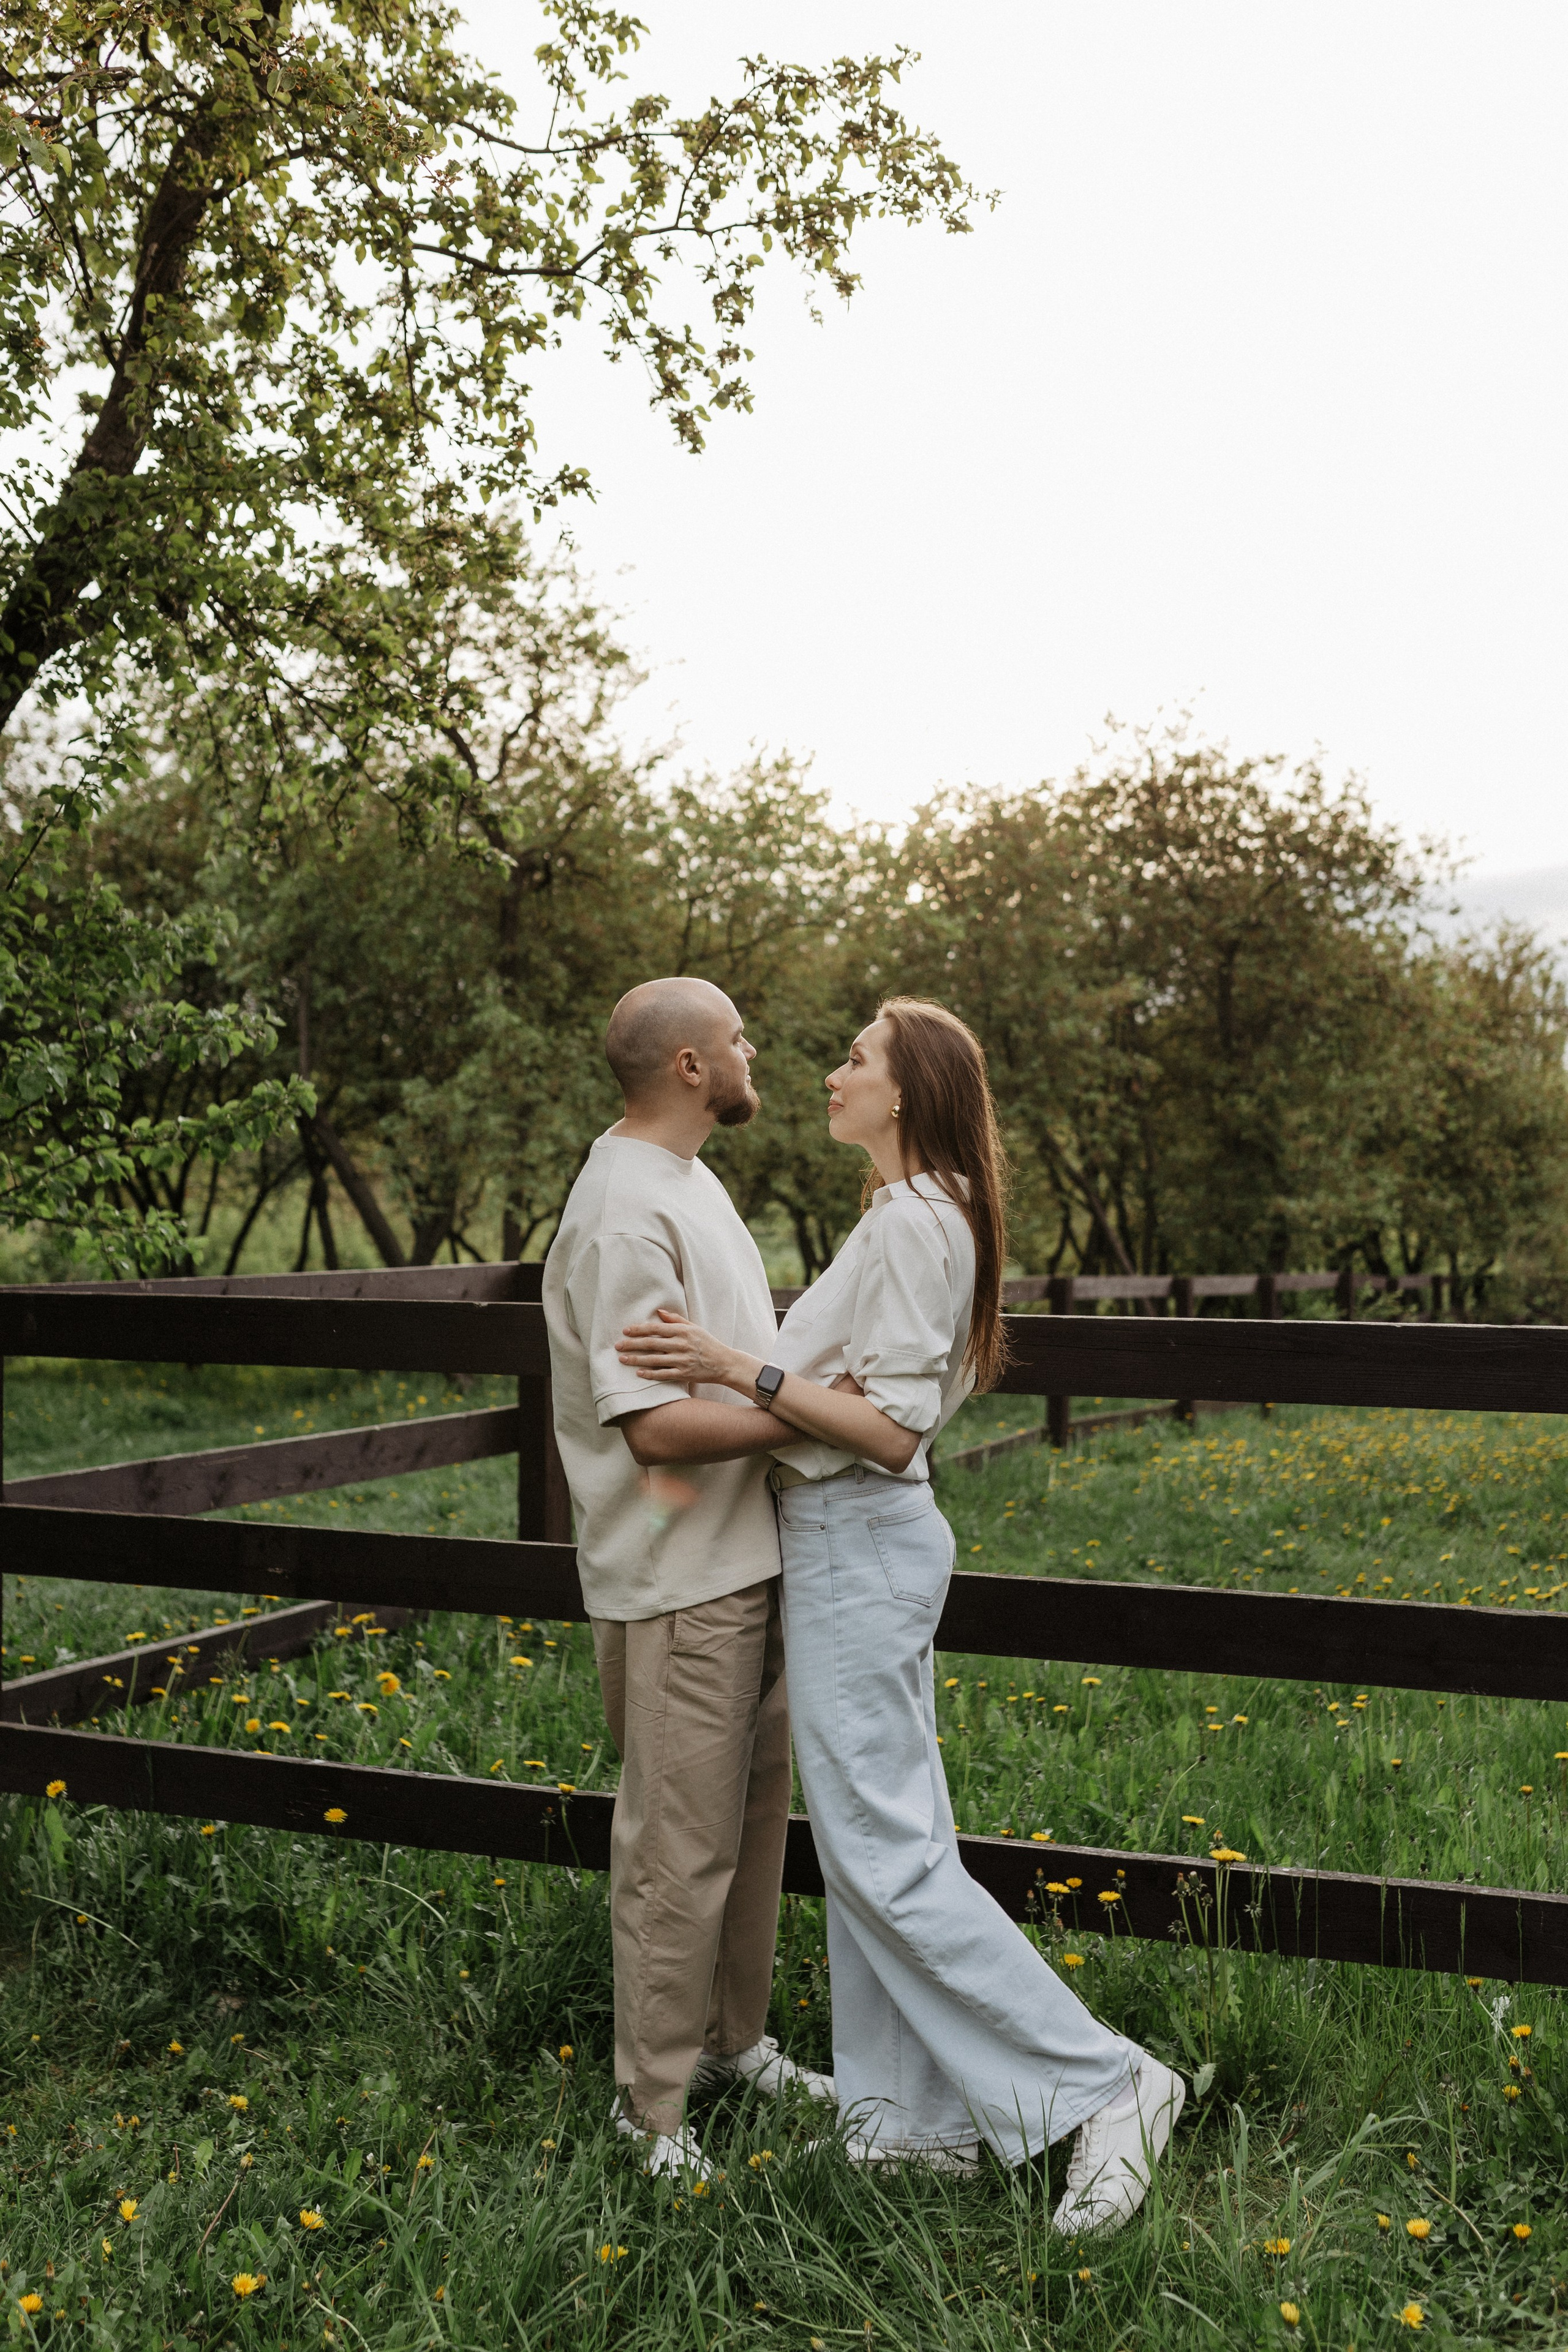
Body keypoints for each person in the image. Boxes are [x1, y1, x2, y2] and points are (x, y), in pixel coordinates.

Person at [615, 996, 1185, 2232]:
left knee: (883, 1857)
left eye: (855, 1058)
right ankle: (913, 2126)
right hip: (849, 1552)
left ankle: (1107, 2085)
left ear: (909, 1090)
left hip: (853, 1547)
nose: (830, 1072)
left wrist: (734, 1368)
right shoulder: (901, 1216)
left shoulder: (923, 1222)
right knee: (887, 1844)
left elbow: (890, 1433)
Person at [543, 976, 836, 2182]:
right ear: (686, 1066)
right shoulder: (622, 1212)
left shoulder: (690, 1180)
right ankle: (650, 2109)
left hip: (745, 1561)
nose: (751, 1050)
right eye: (735, 1039)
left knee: (750, 1825)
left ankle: (729, 2041)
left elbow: (730, 1365)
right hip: (673, 1579)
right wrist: (820, 1420)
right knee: (676, 1846)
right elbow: (653, 1428)